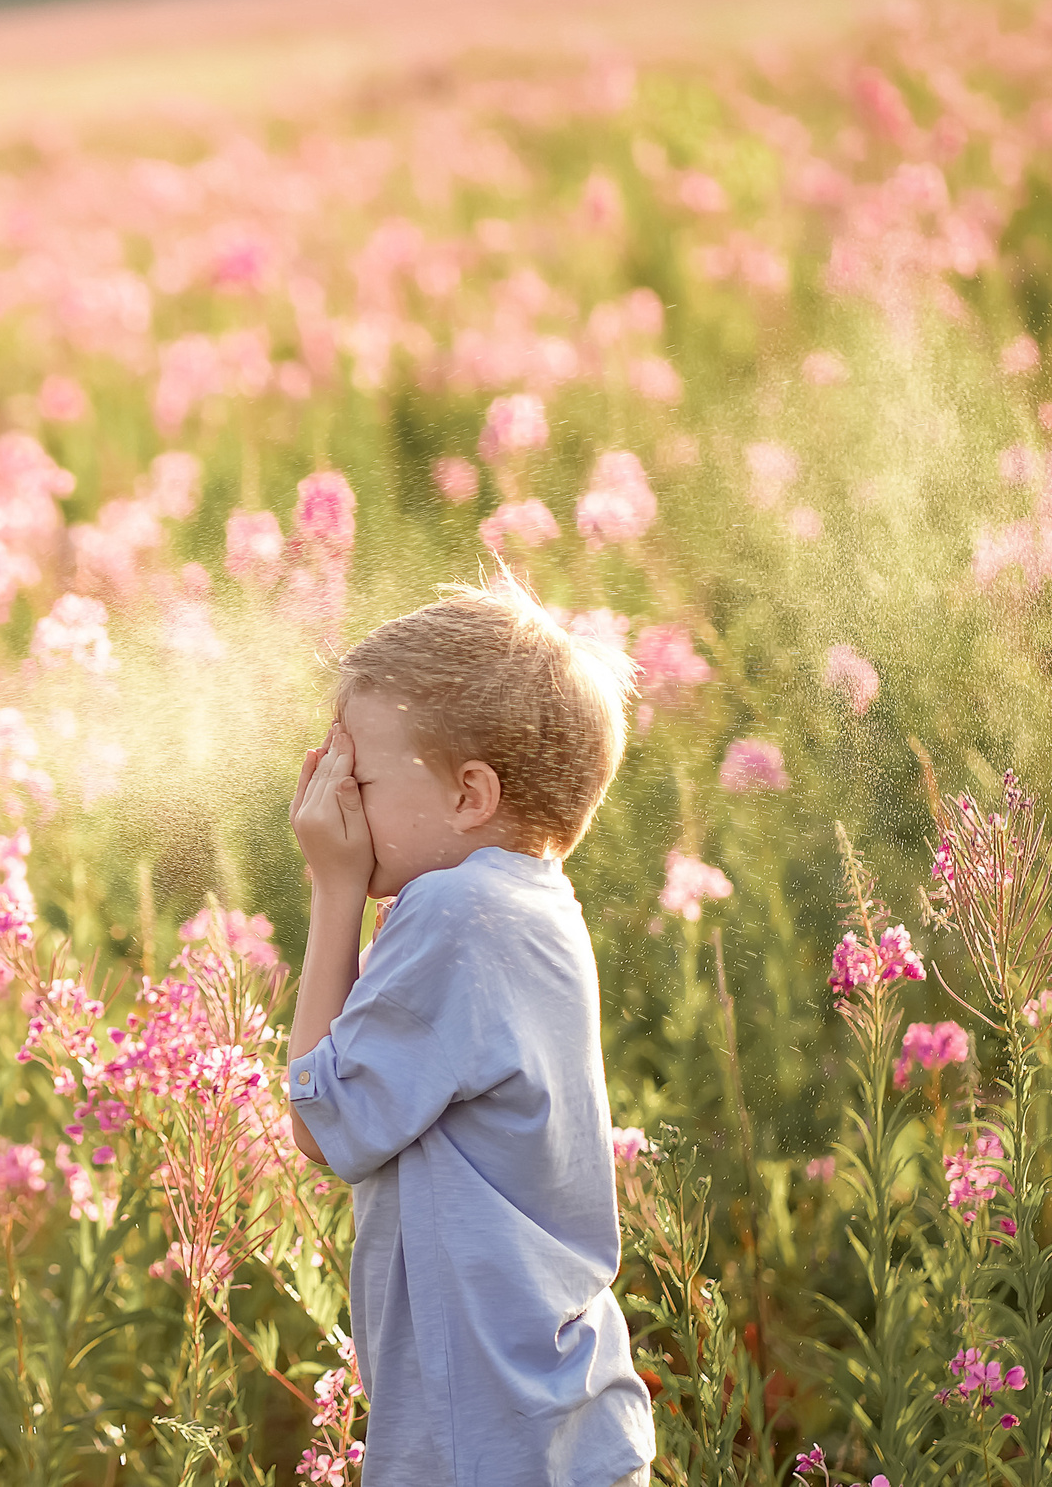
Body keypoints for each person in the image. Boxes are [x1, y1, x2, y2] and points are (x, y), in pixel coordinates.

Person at [283, 571, 655, 1487]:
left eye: (360, 777)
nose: (340, 798)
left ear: (469, 795)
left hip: (485, 1444)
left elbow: (324, 1120)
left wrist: (333, 888)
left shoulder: (456, 911)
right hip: (554, 1423)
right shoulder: (532, 906)